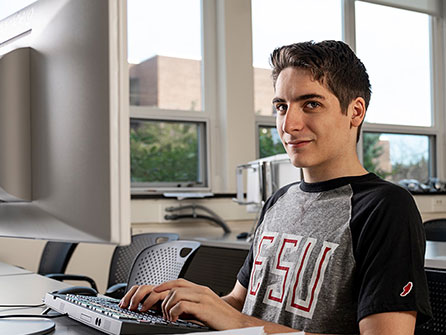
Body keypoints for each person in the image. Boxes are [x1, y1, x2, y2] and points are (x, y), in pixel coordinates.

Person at [119, 40, 432, 334]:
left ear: (356, 111)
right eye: (281, 106)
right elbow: (241, 305)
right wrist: (193, 304)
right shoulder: (279, 200)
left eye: (310, 104)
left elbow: (240, 321)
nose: (288, 124)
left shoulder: (386, 207)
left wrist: (234, 319)